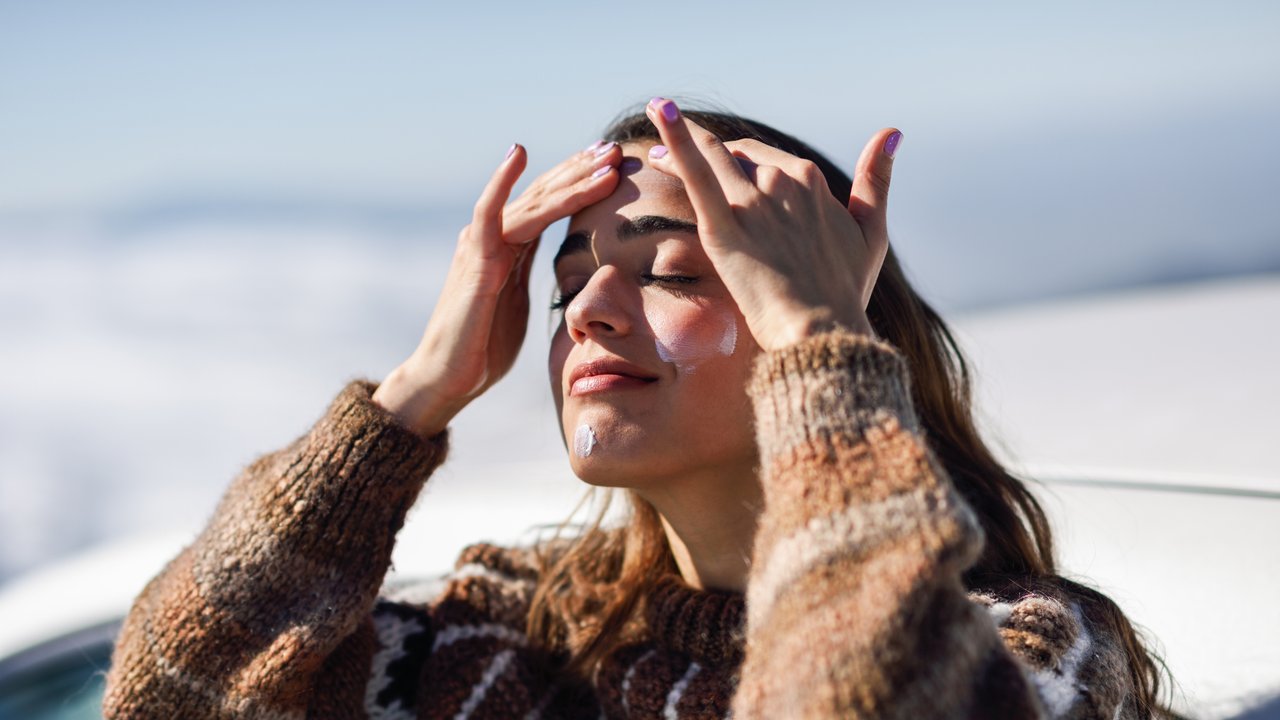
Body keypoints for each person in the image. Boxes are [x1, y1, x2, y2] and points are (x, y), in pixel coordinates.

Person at [103, 98, 1168, 719]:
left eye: (669, 271)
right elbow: (169, 694)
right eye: (563, 286)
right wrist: (413, 395)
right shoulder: (503, 632)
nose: (587, 312)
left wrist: (818, 344)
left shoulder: (1033, 652)